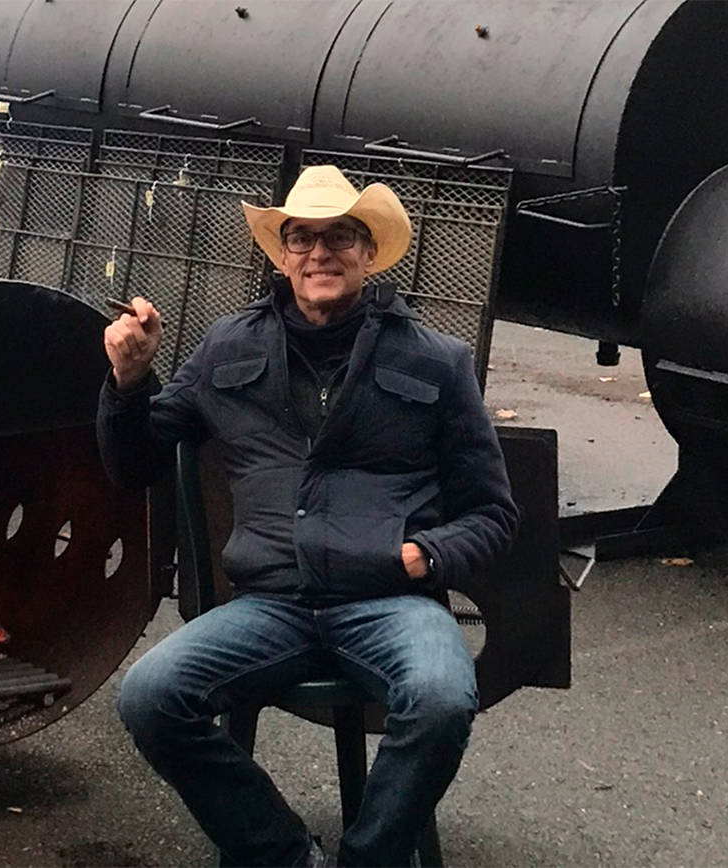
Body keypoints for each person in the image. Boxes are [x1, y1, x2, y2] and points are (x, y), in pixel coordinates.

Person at [97, 164, 519, 867]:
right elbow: (135, 463)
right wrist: (129, 381)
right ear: (282, 253)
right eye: (302, 237)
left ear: (368, 252)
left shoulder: (436, 359)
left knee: (442, 698)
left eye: (340, 237)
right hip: (271, 603)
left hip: (390, 601)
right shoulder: (228, 345)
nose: (320, 253)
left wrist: (424, 558)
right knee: (150, 695)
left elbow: (494, 514)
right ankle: (283, 856)